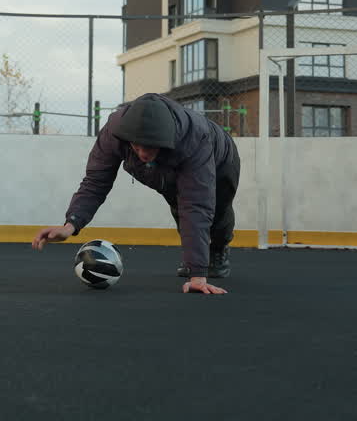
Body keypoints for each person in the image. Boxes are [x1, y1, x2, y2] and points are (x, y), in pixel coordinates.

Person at [31, 92, 240, 295]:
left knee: (216, 211)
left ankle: (218, 251)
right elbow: (95, 182)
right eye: (136, 146)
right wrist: (70, 225)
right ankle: (196, 258)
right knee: (179, 207)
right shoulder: (114, 133)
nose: (142, 153)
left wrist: (198, 276)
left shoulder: (193, 139)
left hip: (220, 160)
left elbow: (196, 205)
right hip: (166, 164)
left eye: (149, 147)